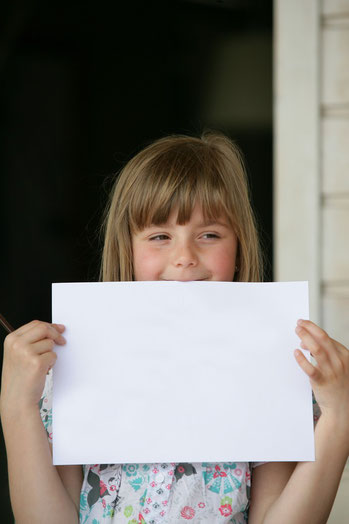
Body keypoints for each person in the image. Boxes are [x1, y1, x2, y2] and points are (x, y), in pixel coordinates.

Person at [1, 130, 348, 524]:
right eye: (160, 236)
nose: (184, 257)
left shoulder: (271, 372)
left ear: (239, 250)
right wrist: (16, 407)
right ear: (127, 251)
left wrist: (339, 417)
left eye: (210, 235)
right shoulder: (73, 368)